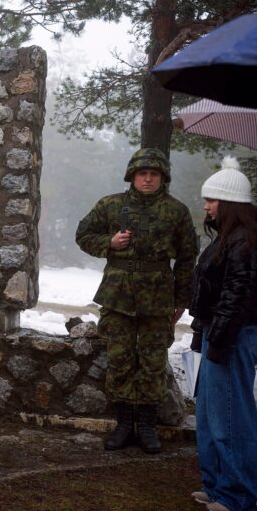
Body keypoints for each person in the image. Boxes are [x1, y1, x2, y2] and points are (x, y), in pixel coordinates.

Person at [76, 147, 197, 454]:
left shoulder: (177, 211)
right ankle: (123, 424)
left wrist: (181, 300)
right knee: (119, 359)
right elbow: (83, 234)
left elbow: (186, 259)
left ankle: (146, 425)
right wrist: (109, 243)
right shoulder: (111, 204)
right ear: (132, 175)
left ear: (162, 178)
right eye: (142, 173)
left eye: (153, 174)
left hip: (158, 297)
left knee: (153, 361)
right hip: (118, 296)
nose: (147, 179)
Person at [189, 156, 257, 511]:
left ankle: (239, 496)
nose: (206, 206)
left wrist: (219, 340)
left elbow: (239, 295)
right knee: (209, 415)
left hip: (232, 337)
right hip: (217, 333)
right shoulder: (227, 238)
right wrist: (202, 332)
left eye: (211, 200)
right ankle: (216, 486)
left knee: (231, 416)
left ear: (228, 203)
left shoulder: (244, 240)